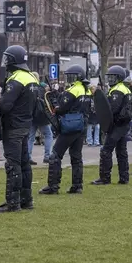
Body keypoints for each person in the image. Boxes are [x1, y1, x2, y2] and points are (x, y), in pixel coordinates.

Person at [0, 45, 37, 213]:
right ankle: (27, 200)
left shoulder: (16, 79)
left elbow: (5, 105)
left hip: (13, 127)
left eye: (7, 58)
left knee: (13, 165)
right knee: (25, 164)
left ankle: (13, 202)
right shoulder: (31, 78)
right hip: (26, 125)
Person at [39, 64, 89, 195]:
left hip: (69, 126)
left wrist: (56, 100)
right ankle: (77, 185)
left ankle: (53, 186)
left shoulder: (73, 90)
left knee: (55, 155)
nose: (70, 79)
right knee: (76, 157)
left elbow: (60, 108)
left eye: (72, 77)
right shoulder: (86, 90)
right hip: (81, 127)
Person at [92, 66, 132, 185]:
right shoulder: (125, 89)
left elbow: (112, 109)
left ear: (119, 78)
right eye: (109, 77)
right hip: (124, 125)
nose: (110, 80)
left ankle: (105, 178)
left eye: (112, 78)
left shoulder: (117, 91)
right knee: (121, 152)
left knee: (106, 150)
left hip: (117, 125)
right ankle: (124, 177)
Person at [28, 73, 53, 165]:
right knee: (48, 135)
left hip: (31, 115)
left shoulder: (29, 87)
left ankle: (28, 157)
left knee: (30, 137)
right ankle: (47, 156)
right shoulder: (42, 88)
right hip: (42, 116)